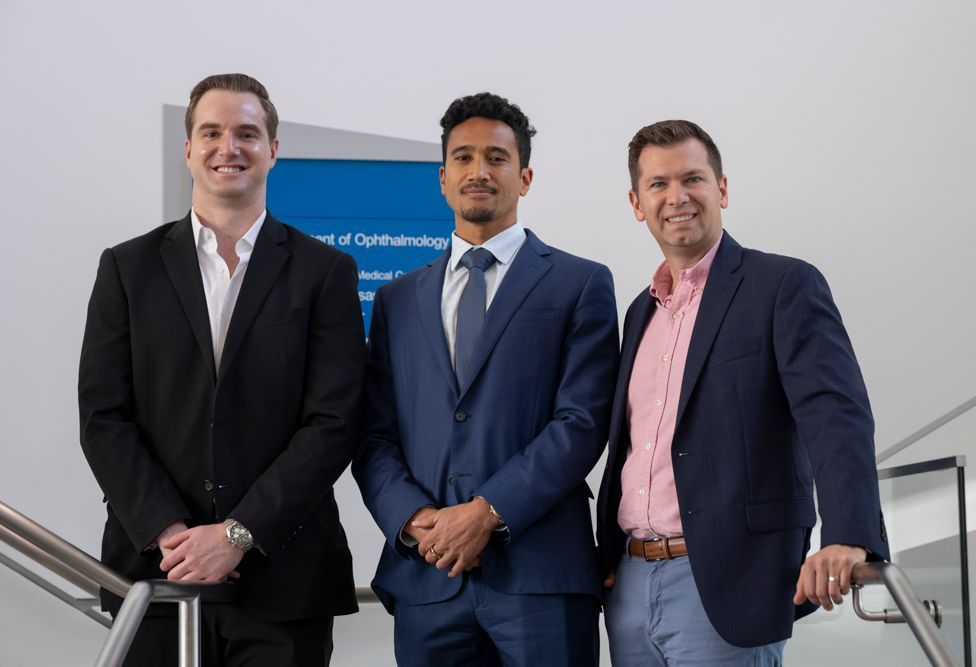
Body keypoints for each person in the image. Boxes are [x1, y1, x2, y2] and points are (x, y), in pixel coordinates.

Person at [78, 73, 365, 666]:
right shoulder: (127, 269)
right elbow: (104, 417)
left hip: (285, 582)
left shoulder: (325, 272)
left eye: (247, 133)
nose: (227, 147)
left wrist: (237, 535)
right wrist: (172, 535)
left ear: (273, 150)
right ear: (187, 149)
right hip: (156, 574)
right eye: (211, 132)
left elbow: (333, 422)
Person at [596, 120, 890, 665]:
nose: (676, 197)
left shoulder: (782, 285)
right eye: (658, 185)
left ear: (722, 189)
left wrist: (849, 534)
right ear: (637, 203)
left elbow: (835, 415)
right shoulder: (639, 312)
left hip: (726, 581)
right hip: (631, 586)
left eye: (693, 178)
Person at [353, 92, 619, 666]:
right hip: (427, 575)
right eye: (465, 158)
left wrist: (486, 512)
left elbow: (582, 422)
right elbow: (373, 435)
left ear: (524, 177)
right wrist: (418, 522)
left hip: (542, 575)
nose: (480, 171)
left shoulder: (579, 283)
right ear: (442, 178)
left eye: (497, 159)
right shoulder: (398, 299)